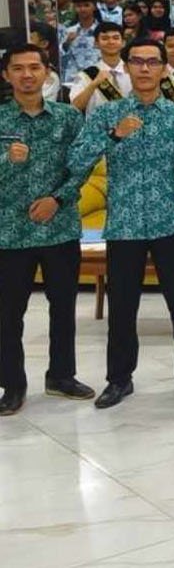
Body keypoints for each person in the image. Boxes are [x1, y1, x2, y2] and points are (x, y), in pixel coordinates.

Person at [64, 36, 174, 409]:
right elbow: (78, 160)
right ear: (126, 67)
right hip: (124, 224)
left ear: (163, 68)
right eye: (137, 62)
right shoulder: (107, 115)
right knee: (122, 306)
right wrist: (115, 135)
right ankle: (119, 378)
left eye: (152, 62)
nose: (145, 68)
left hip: (169, 224)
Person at [0, 46, 93, 416]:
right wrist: (8, 160)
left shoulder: (69, 118)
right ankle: (13, 384)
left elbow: (82, 166)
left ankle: (62, 376)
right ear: (6, 75)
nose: (27, 75)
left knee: (63, 307)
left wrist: (57, 198)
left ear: (47, 73)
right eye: (18, 69)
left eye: (34, 67)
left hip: (60, 228)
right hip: (10, 232)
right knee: (8, 313)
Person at [69, 22, 132, 114]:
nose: (111, 42)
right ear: (96, 43)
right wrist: (94, 84)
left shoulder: (133, 71)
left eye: (116, 38)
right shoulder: (87, 75)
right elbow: (75, 107)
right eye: (105, 38)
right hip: (97, 127)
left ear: (123, 43)